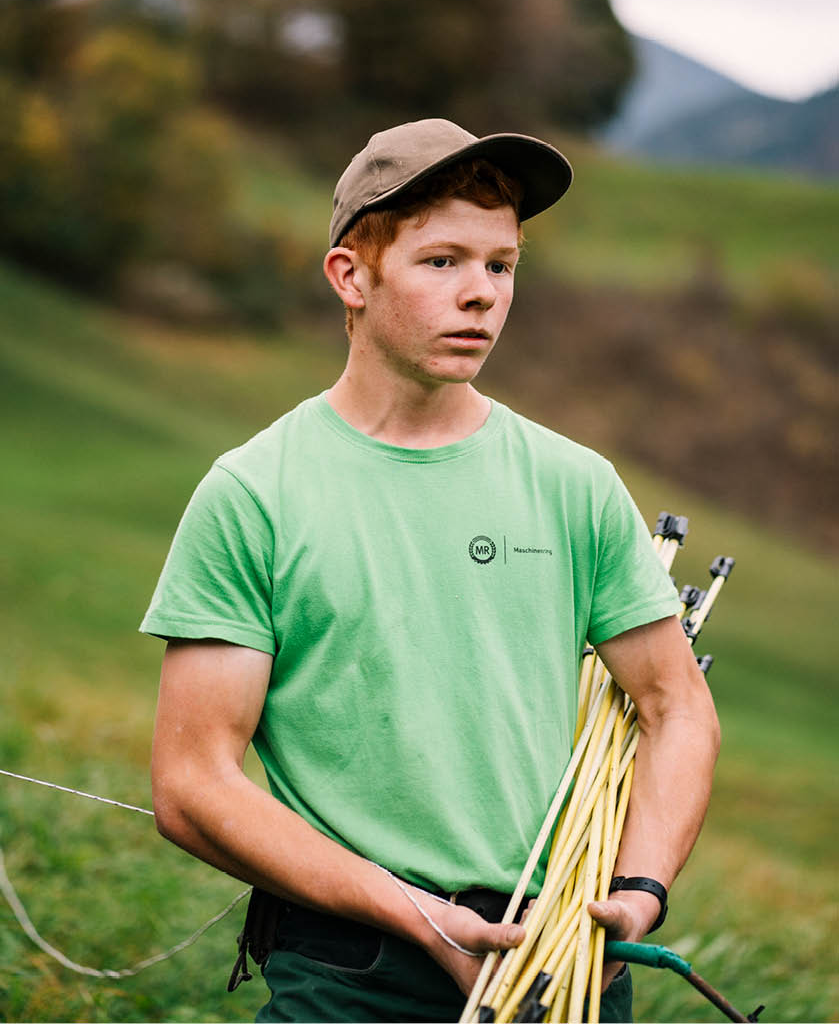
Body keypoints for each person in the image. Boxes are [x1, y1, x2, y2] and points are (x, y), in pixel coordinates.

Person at [141, 118, 720, 1024]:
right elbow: (192, 782)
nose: (481, 295)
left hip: (558, 961)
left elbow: (674, 705)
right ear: (351, 275)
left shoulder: (574, 485)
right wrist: (422, 917)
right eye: (442, 261)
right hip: (349, 966)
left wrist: (636, 889)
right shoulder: (255, 493)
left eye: (501, 265)